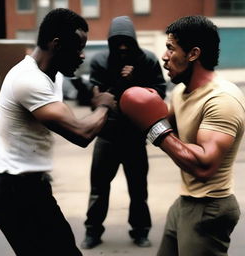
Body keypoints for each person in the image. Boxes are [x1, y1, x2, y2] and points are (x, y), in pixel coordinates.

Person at [0, 8, 116, 256]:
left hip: (33, 187)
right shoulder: (28, 79)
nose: (81, 56)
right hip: (12, 193)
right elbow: (81, 134)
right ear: (56, 45)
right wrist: (104, 105)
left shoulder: (52, 75)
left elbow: (66, 113)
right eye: (78, 48)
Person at [120, 15, 245, 256]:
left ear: (193, 54)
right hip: (185, 202)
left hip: (209, 206)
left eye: (170, 48)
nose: (164, 56)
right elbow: (164, 127)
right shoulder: (180, 92)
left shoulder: (221, 99)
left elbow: (204, 166)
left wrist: (154, 127)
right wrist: (137, 96)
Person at [81, 15, 166, 249]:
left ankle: (140, 231)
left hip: (135, 137)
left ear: (134, 40)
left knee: (138, 189)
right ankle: (93, 231)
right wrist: (121, 83)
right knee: (98, 188)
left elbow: (159, 92)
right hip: (107, 136)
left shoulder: (147, 60)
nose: (122, 46)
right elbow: (97, 99)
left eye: (127, 41)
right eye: (117, 41)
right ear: (110, 42)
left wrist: (135, 83)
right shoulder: (100, 62)